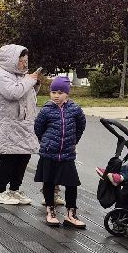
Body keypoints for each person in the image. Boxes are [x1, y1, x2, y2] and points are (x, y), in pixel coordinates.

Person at [0, 44, 41, 205]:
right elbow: (14, 93)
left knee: (23, 157)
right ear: (11, 60)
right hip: (8, 125)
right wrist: (30, 80)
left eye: (26, 60)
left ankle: (14, 190)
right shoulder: (1, 75)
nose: (25, 64)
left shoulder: (22, 76)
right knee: (8, 158)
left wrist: (34, 84)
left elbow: (27, 96)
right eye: (21, 61)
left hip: (24, 124)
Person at [33, 75, 87, 228]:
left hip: (67, 154)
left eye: (60, 93)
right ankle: (50, 211)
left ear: (67, 94)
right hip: (49, 153)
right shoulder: (46, 110)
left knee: (71, 183)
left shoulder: (75, 109)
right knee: (49, 182)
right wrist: (46, 142)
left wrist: (73, 142)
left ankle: (71, 214)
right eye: (53, 92)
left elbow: (80, 126)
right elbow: (38, 128)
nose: (56, 96)